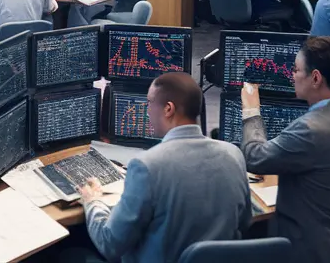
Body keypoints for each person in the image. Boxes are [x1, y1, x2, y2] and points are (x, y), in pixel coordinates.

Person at [77, 72, 251, 263]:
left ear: (168, 109)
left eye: (150, 102)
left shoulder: (147, 165)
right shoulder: (234, 155)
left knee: (70, 254)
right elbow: (244, 222)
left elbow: (110, 244)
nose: (147, 110)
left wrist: (92, 202)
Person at [241, 37, 330, 263]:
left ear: (315, 77)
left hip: (312, 251)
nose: (292, 75)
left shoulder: (311, 129)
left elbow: (255, 157)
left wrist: (251, 110)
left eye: (296, 70)